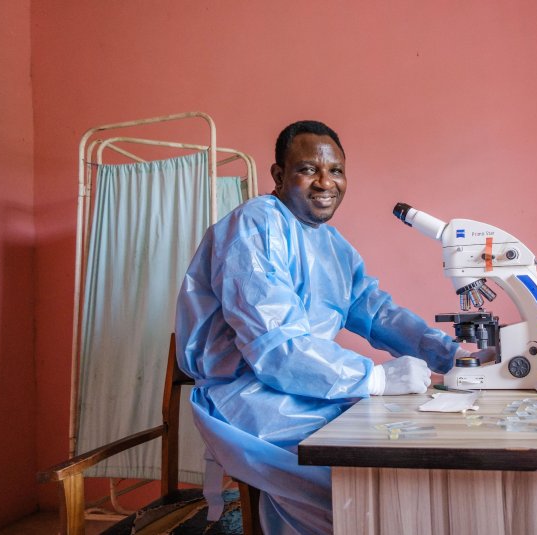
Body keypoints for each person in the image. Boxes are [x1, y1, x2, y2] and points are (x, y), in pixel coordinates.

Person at [175, 120, 463, 535]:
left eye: (337, 171)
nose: (325, 182)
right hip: (252, 400)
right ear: (278, 175)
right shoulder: (254, 225)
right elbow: (274, 347)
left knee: (408, 451)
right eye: (308, 169)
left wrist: (451, 354)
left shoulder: (332, 245)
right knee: (363, 484)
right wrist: (376, 377)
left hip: (307, 391)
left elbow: (377, 312)